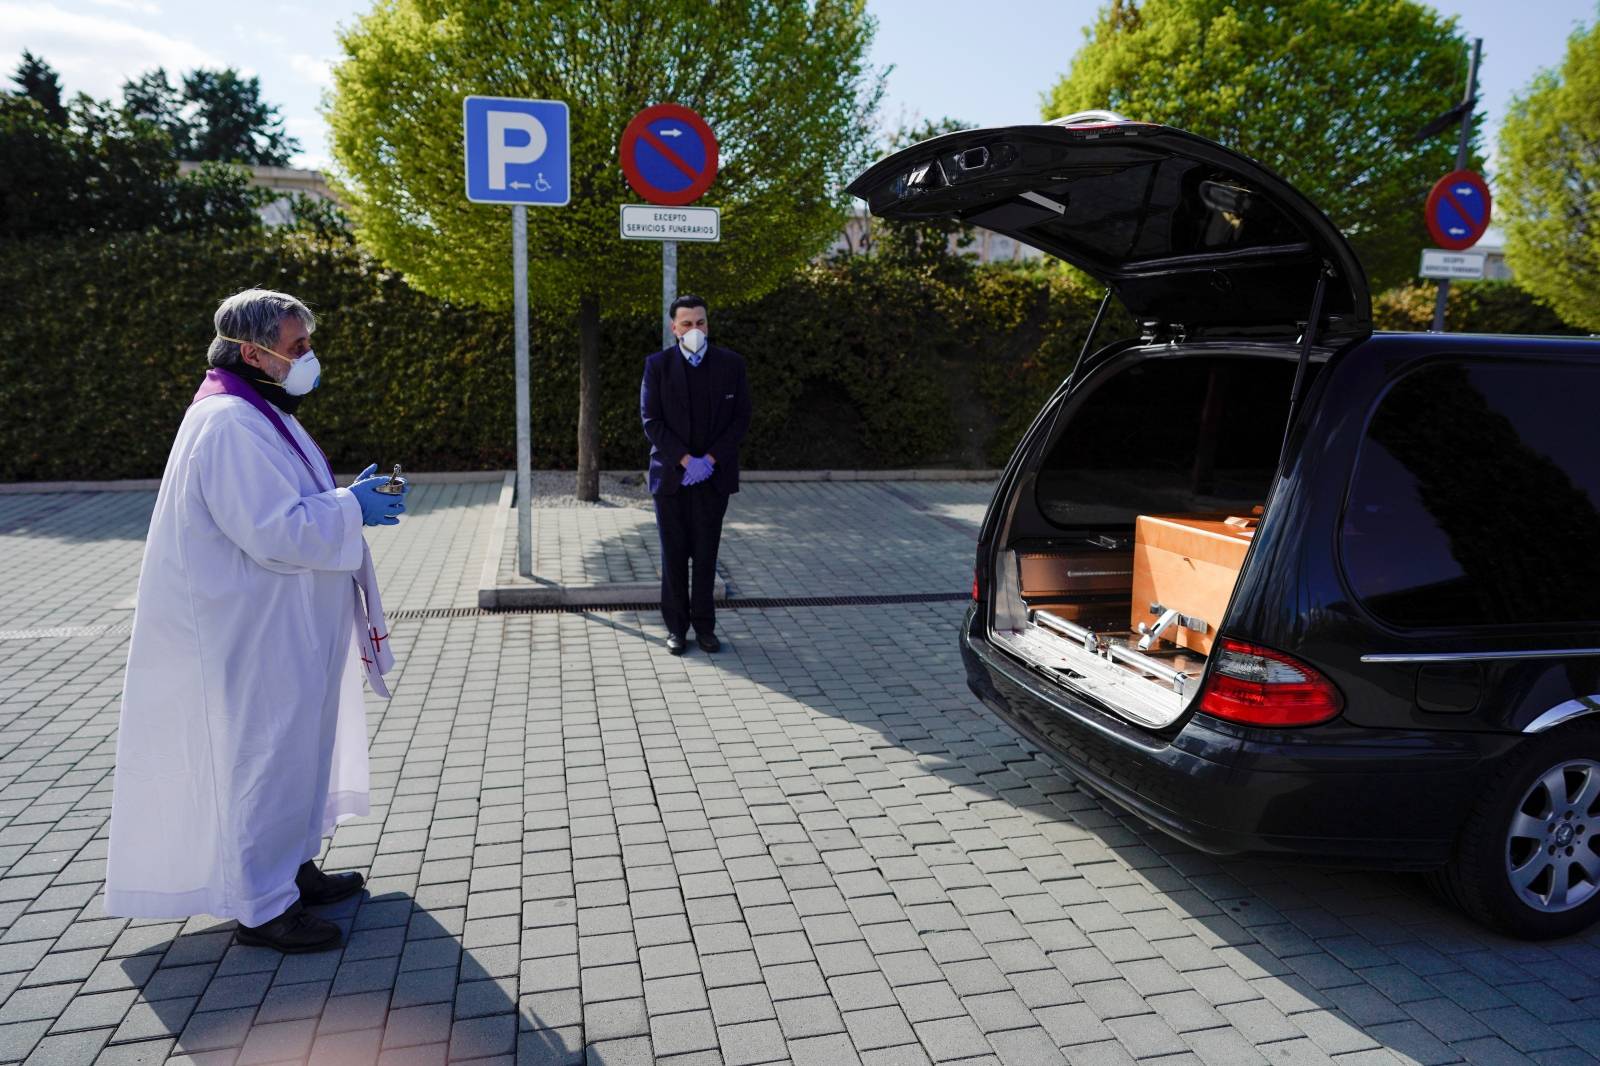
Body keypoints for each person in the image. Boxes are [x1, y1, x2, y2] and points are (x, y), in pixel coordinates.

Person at [105, 289, 408, 953]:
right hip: (258, 625)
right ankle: (264, 907)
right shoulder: (227, 424)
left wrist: (343, 500)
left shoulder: (259, 410)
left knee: (300, 751)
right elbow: (273, 531)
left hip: (288, 620)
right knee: (268, 757)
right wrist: (351, 509)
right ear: (253, 352)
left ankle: (290, 870)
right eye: (297, 348)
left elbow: (290, 505)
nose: (308, 359)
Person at [640, 294, 752, 655]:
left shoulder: (731, 365)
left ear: (708, 324)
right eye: (686, 323)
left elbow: (741, 419)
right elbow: (651, 422)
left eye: (700, 322)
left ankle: (705, 628)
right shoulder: (657, 366)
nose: (694, 329)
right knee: (673, 556)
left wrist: (711, 460)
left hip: (713, 479)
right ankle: (676, 629)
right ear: (674, 328)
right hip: (672, 479)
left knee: (706, 554)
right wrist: (687, 460)